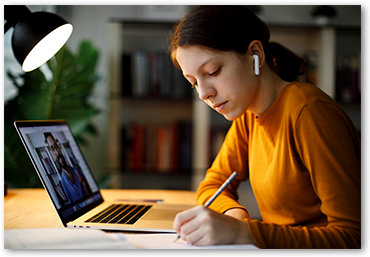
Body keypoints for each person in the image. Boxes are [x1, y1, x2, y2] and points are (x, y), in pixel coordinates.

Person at [169, 6, 360, 249]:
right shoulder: (249, 114)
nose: (204, 93)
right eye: (194, 82)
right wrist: (232, 215)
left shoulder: (309, 112)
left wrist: (244, 232)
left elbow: (354, 237)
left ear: (255, 54)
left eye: (213, 71)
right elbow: (212, 184)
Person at [44, 133, 90, 203]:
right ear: (52, 153)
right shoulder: (63, 183)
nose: (56, 152)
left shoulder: (77, 171)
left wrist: (84, 183)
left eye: (56, 146)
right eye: (52, 149)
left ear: (59, 147)